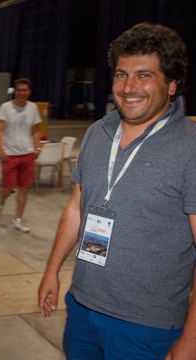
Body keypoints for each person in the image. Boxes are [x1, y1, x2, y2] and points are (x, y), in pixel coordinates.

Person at [38, 23, 196, 359]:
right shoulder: (98, 132)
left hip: (145, 327)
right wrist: (52, 270)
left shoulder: (190, 148)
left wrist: (192, 338)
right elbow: (77, 207)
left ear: (172, 84)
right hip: (82, 307)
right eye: (121, 75)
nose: (128, 87)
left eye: (143, 75)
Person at [0, 78, 41, 232]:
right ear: (15, 91)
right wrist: (1, 150)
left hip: (27, 153)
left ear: (29, 92)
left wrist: (37, 147)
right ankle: (0, 203)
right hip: (9, 154)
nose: (21, 93)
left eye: (24, 90)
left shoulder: (33, 107)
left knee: (24, 188)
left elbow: (35, 129)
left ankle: (17, 219)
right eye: (19, 90)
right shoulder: (5, 107)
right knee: (7, 187)